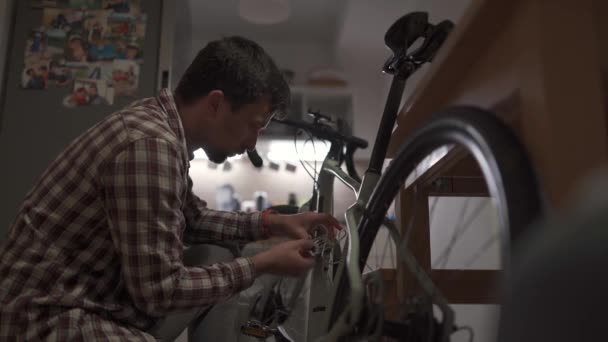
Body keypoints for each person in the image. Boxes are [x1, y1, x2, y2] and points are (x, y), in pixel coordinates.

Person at [0, 36, 341, 340]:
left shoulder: (161, 130)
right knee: (226, 270)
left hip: (92, 300)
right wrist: (262, 264)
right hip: (43, 318)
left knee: (216, 254)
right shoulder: (150, 146)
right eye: (253, 126)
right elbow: (159, 292)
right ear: (216, 103)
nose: (252, 144)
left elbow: (191, 219)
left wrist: (274, 224)